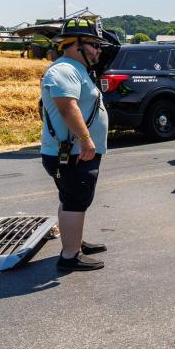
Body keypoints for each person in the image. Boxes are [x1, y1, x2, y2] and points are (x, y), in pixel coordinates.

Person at [41, 19, 111, 271]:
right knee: (75, 199)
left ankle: (75, 242)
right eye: (94, 44)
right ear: (75, 45)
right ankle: (70, 256)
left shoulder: (75, 68)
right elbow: (67, 106)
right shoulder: (64, 70)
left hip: (73, 152)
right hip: (73, 152)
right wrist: (85, 140)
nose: (99, 50)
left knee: (71, 197)